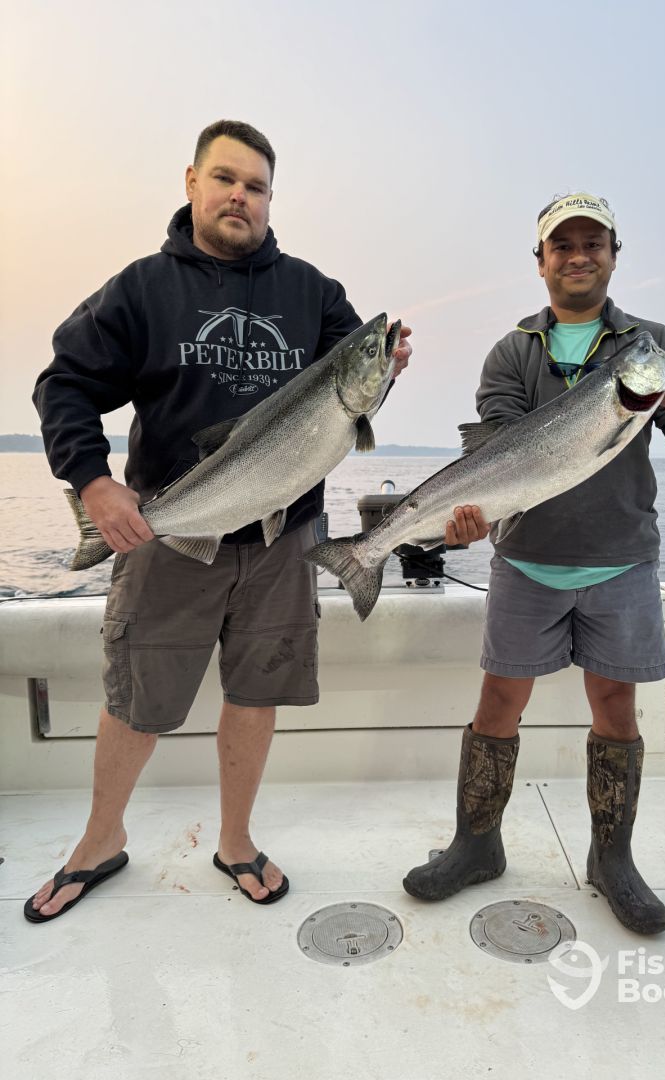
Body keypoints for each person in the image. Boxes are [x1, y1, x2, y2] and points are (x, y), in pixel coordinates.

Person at [26, 119, 412, 922]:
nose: (241, 196)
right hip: (170, 531)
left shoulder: (313, 293)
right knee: (137, 697)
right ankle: (99, 840)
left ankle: (236, 840)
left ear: (272, 199)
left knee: (256, 691)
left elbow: (353, 390)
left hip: (284, 539)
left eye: (257, 186)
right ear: (192, 183)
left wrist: (388, 368)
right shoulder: (142, 289)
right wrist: (94, 484)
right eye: (226, 179)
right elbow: (63, 384)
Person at [405, 191, 665, 934]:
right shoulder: (512, 352)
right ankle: (476, 845)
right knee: (498, 704)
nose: (579, 257)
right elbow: (499, 459)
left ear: (613, 255)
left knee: (615, 707)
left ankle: (613, 859)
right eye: (563, 246)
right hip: (527, 561)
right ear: (540, 261)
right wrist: (471, 516)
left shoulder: (650, 343)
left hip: (621, 561)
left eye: (593, 244)